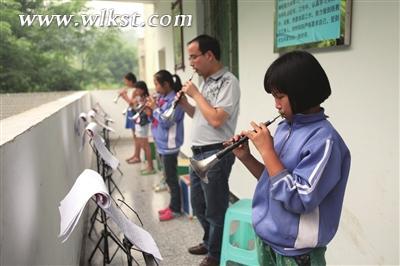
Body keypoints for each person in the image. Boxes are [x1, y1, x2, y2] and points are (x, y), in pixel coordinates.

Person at [231, 51, 351, 266]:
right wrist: (247, 157)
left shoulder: (325, 141)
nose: (276, 105)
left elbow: (298, 198)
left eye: (280, 97)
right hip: (268, 241)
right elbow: (274, 181)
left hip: (297, 254)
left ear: (301, 94)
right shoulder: (285, 128)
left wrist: (267, 151)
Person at [178, 34, 241, 266]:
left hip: (216, 152)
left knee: (215, 208)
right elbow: (200, 115)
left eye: (194, 57)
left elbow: (216, 120)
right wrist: (185, 103)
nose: (191, 63)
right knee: (199, 205)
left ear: (209, 55)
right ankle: (209, 241)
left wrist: (195, 94)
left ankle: (215, 254)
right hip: (198, 152)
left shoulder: (228, 82)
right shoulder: (205, 82)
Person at [145, 70, 184, 221]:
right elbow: (156, 120)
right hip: (161, 144)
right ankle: (172, 205)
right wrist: (150, 111)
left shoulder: (175, 100)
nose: (155, 88)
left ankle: (176, 209)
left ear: (166, 84)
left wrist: (155, 108)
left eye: (156, 84)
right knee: (167, 177)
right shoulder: (162, 98)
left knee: (172, 179)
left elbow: (167, 122)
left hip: (170, 146)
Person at [131, 81, 155, 175]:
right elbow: (135, 109)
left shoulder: (146, 99)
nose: (136, 91)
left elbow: (149, 113)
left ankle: (150, 166)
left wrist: (143, 105)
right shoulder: (139, 98)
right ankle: (149, 165)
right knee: (143, 145)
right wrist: (135, 103)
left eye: (137, 89)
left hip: (144, 124)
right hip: (138, 123)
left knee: (146, 146)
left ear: (143, 89)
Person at [119, 72, 141, 164]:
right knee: (134, 136)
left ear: (131, 81)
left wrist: (124, 96)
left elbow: (133, 104)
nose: (125, 83)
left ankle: (137, 156)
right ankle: (135, 155)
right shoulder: (132, 89)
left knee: (137, 136)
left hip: (135, 113)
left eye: (126, 81)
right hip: (132, 112)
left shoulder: (136, 90)